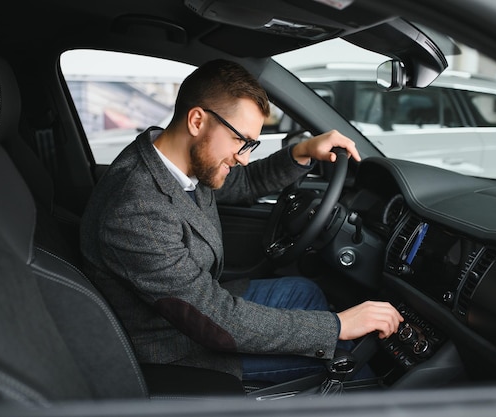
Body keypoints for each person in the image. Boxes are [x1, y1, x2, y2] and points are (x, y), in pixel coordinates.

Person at [80, 59, 403, 385]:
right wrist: (336, 327)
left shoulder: (177, 159)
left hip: (197, 311)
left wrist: (303, 151)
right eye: (241, 140)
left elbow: (242, 183)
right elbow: (214, 318)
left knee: (304, 291)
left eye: (251, 144)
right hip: (178, 346)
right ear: (196, 121)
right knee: (345, 356)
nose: (244, 157)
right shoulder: (136, 209)